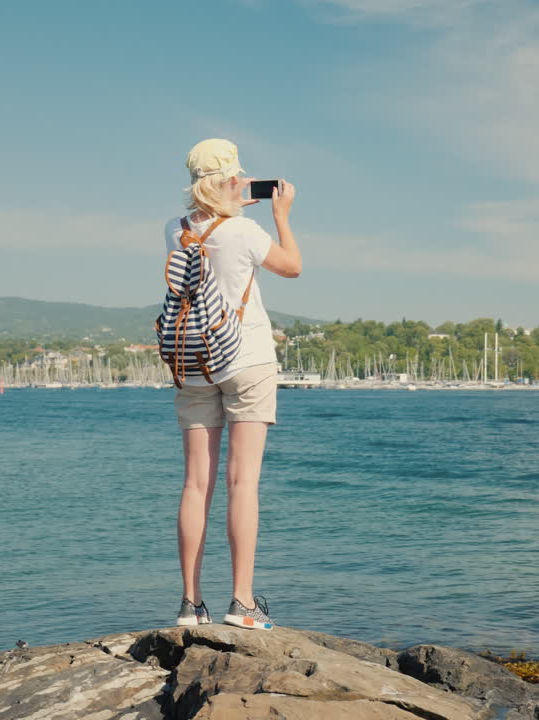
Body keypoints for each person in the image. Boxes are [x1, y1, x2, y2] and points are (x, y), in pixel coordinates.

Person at [167, 138, 300, 630]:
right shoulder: (244, 231)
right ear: (229, 179)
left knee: (195, 483)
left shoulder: (175, 229)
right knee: (242, 481)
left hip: (194, 362)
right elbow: (292, 266)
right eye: (238, 177)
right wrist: (281, 215)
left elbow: (208, 235)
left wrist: (225, 204)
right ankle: (242, 603)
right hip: (247, 360)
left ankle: (190, 604)